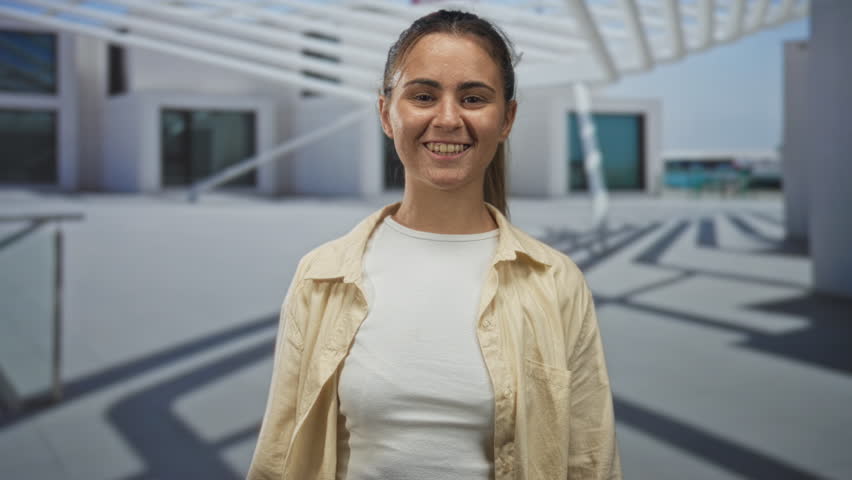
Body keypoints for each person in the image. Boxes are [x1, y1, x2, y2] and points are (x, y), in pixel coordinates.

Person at [248, 9, 621, 480]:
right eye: (423, 96)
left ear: (506, 119)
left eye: (473, 98)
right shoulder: (322, 276)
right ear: (386, 113)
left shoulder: (556, 282)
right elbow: (280, 456)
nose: (447, 119)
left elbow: (589, 461)